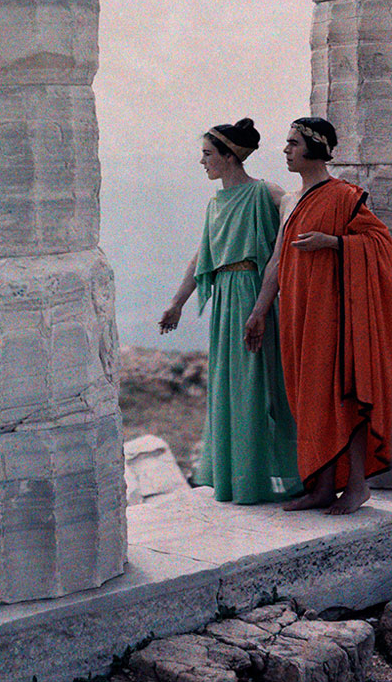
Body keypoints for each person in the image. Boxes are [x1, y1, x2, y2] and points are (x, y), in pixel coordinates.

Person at [244, 117, 392, 515]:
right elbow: (277, 260)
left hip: (336, 315)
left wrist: (332, 243)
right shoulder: (291, 201)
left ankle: (358, 485)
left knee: (345, 394)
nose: (286, 150)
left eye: (293, 143)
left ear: (314, 147)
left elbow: (380, 244)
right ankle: (323, 486)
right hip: (298, 312)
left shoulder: (346, 196)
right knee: (310, 398)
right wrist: (259, 311)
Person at [159, 118, 302, 503]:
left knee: (261, 385)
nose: (203, 161)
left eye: (208, 154)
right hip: (224, 302)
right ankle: (240, 479)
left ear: (229, 156)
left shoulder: (262, 192)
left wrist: (294, 211)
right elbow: (201, 257)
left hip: (256, 297)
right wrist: (176, 303)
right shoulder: (215, 204)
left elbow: (295, 202)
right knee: (231, 387)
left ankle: (283, 475)